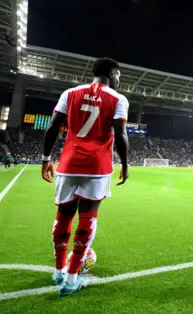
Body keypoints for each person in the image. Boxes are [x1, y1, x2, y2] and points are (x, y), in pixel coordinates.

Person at [41, 57, 130, 296]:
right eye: (119, 75)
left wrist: (46, 159)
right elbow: (121, 135)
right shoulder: (118, 99)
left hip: (68, 163)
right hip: (97, 167)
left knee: (63, 216)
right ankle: (71, 279)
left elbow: (52, 127)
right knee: (87, 217)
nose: (119, 79)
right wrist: (125, 164)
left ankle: (58, 271)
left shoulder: (69, 93)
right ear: (112, 73)